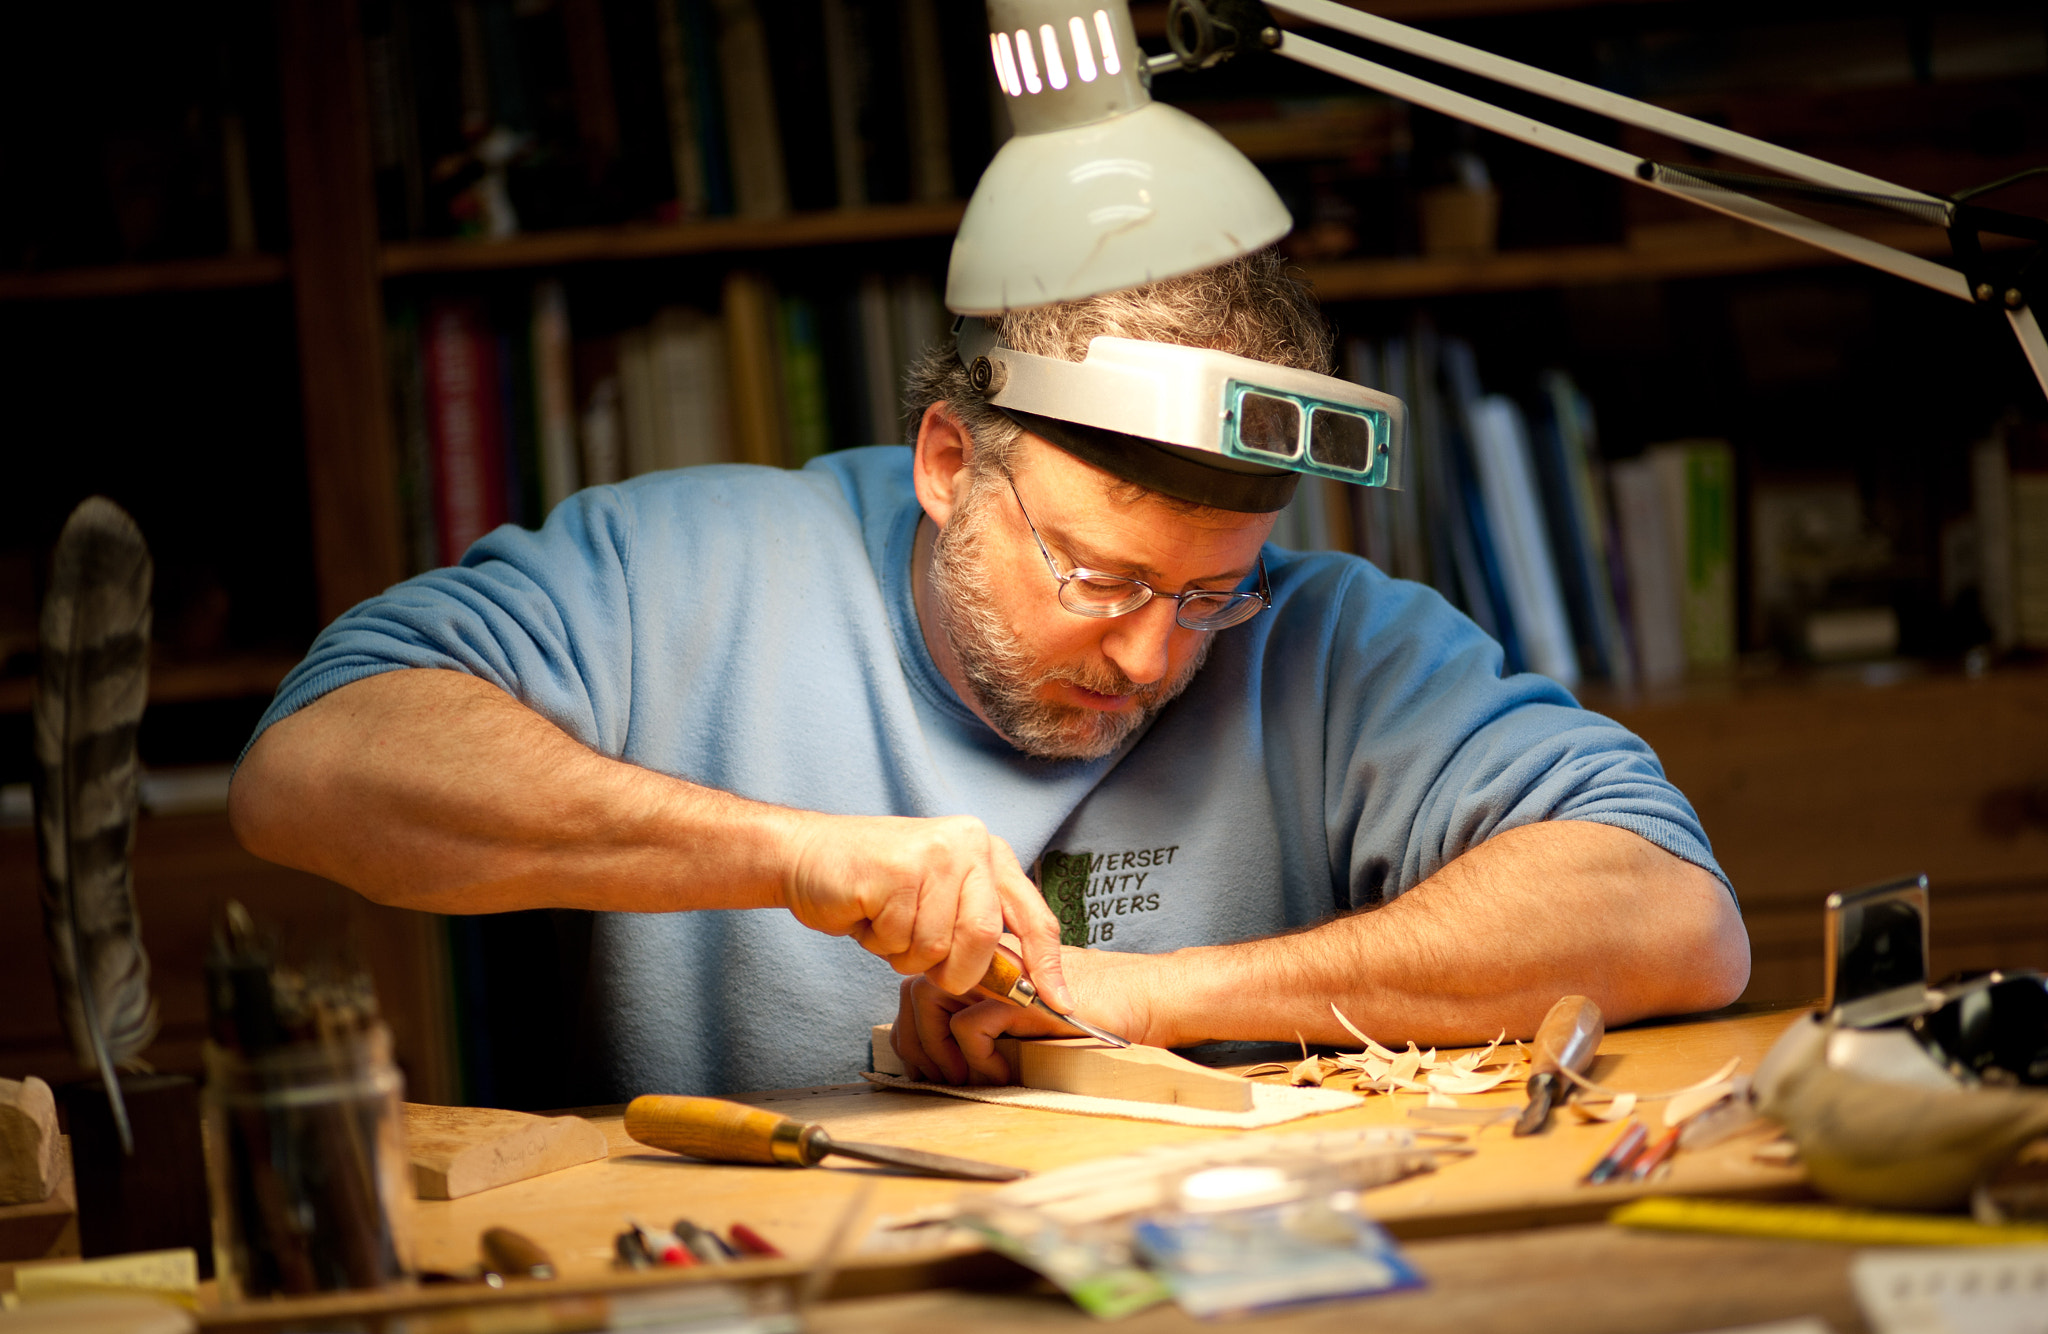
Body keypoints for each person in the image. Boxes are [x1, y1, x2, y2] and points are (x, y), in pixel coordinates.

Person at [229, 251, 1748, 1099]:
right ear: (952, 463)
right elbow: (308, 773)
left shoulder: (1333, 632)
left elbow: (1678, 918)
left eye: (1212, 595)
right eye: (1097, 577)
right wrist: (794, 854)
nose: (1154, 653)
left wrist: (1140, 997)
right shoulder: (692, 567)